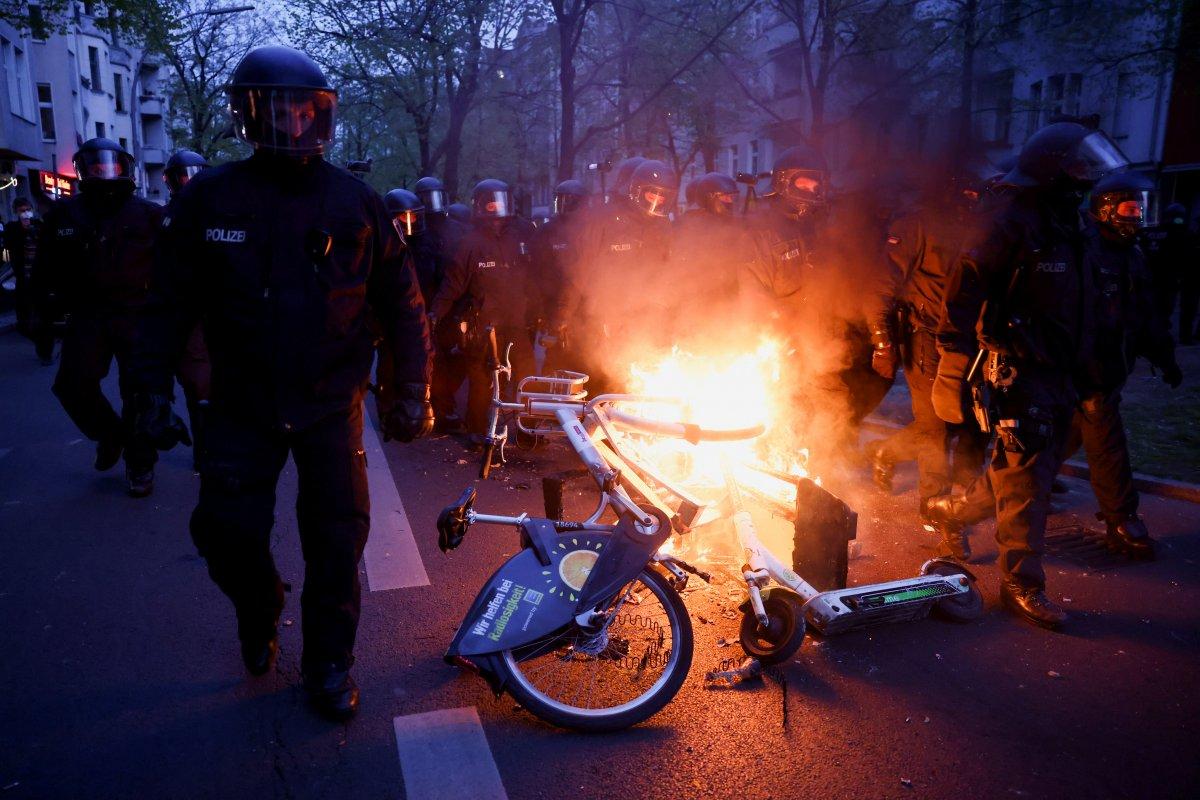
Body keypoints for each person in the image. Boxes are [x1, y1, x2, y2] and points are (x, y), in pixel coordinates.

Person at [130, 46, 433, 721]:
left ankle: (329, 663)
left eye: (304, 109)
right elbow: (167, 305)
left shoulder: (354, 201)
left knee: (337, 539)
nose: (291, 122)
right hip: (242, 401)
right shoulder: (210, 197)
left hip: (331, 401)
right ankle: (260, 603)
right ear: (248, 113)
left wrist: (413, 389)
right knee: (224, 531)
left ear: (322, 115)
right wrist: (148, 393)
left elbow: (403, 303)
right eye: (276, 108)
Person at [927, 122, 1130, 630]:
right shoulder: (1009, 222)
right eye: (1078, 166)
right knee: (1026, 478)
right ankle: (1022, 582)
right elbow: (963, 292)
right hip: (1020, 370)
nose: (1087, 175)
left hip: (1070, 371)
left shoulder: (1075, 224)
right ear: (1051, 169)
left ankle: (958, 511)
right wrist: (953, 364)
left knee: (1034, 469)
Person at [865, 168, 991, 559]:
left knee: (973, 425)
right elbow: (880, 286)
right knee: (935, 428)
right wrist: (883, 343)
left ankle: (893, 456)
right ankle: (938, 512)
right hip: (927, 339)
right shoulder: (917, 224)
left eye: (979, 192)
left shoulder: (989, 229)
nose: (974, 198)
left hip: (975, 343)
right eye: (967, 190)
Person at [37, 138, 163, 497]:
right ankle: (110, 434)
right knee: (72, 384)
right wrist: (41, 313)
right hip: (88, 314)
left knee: (138, 392)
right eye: (96, 167)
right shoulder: (65, 215)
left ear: (125, 168)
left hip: (136, 313)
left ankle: (140, 462)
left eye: (112, 166)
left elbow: (174, 269)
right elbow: (45, 267)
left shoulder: (148, 215)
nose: (105, 172)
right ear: (83, 171)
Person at [1067, 171, 1181, 559]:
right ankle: (1121, 519)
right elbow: (1069, 315)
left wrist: (1165, 357)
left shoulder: (1133, 255)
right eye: (1129, 209)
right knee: (1106, 442)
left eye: (1139, 209)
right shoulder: (1084, 250)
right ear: (1105, 210)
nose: (1136, 217)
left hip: (1109, 370)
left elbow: (1147, 315)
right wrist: (1080, 367)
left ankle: (974, 502)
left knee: (1051, 449)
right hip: (1083, 373)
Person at [429, 178, 536, 439]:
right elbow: (453, 283)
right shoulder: (470, 244)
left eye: (500, 202)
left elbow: (537, 277)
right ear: (479, 207)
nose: (496, 210)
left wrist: (540, 311)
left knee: (527, 377)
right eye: (490, 204)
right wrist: (435, 313)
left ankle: (528, 430)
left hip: (516, 321)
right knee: (482, 381)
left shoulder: (521, 235)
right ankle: (478, 431)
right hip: (484, 325)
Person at [163, 149, 213, 470]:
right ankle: (206, 453)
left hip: (220, 310)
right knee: (199, 386)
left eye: (193, 175)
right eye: (182, 176)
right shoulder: (164, 218)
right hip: (186, 313)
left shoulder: (225, 212)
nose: (188, 182)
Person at [532, 178, 589, 374]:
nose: (565, 205)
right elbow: (538, 270)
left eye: (571, 201)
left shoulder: (592, 230)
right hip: (554, 304)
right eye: (562, 200)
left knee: (585, 360)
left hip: (585, 308)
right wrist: (543, 311)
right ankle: (553, 401)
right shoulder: (548, 231)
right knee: (555, 362)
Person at [4, 197, 54, 363]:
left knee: (44, 319)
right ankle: (38, 341)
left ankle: (45, 352)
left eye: (27, 209)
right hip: (23, 281)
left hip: (41, 280)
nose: (25, 213)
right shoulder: (12, 228)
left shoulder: (40, 225)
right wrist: (23, 229)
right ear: (16, 213)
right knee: (24, 320)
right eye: (21, 210)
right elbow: (10, 245)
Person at [1141, 202, 1195, 343]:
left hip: (1150, 278)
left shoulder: (1149, 232)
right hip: (1168, 279)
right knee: (1162, 309)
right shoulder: (1181, 234)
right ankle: (1158, 335)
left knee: (1153, 308)